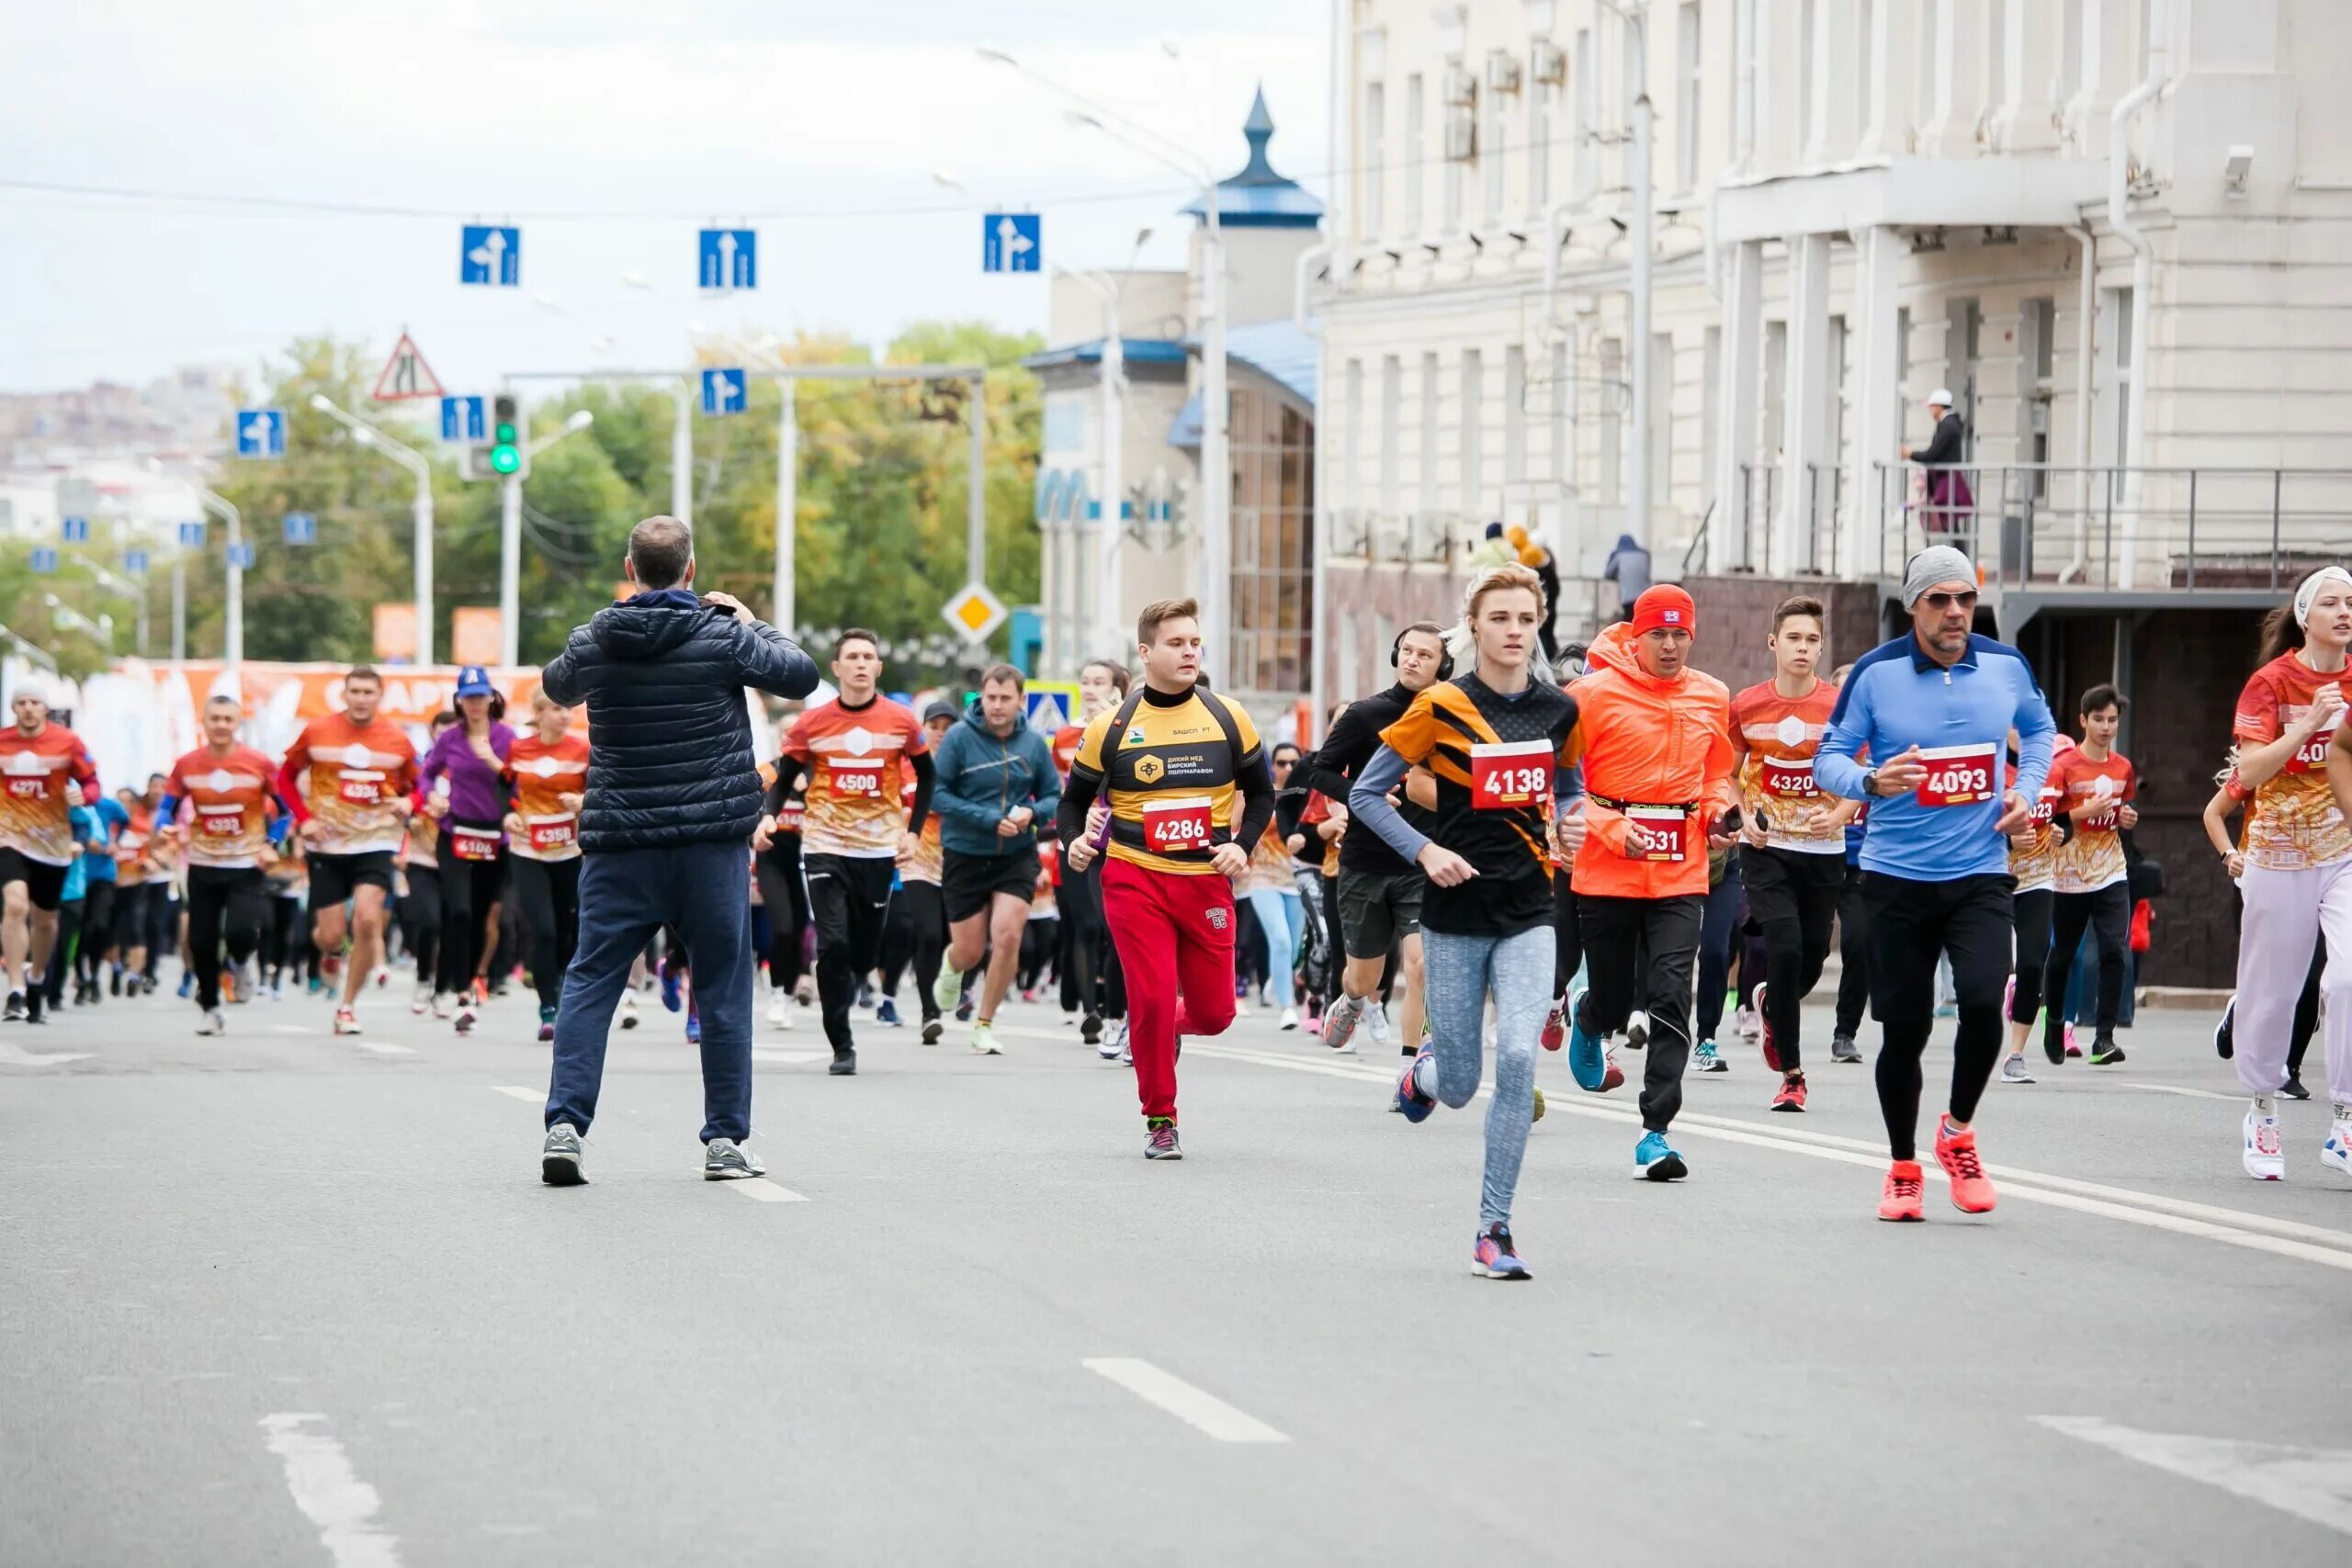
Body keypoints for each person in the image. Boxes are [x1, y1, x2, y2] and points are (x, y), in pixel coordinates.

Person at [537, 515, 819, 1186]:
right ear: (691, 570)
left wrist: (603, 625)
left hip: (620, 846)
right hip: (707, 846)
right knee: (721, 986)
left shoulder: (597, 640)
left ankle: (566, 1126)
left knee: (592, 978)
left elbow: (556, 686)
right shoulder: (724, 636)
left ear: (630, 569)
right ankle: (725, 1141)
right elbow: (802, 676)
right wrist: (752, 622)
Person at [1814, 545, 2056, 1221]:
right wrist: (1870, 780)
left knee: (1984, 1001)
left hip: (1980, 871)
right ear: (1913, 606)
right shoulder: (1876, 672)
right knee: (1906, 1030)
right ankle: (1901, 1166)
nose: (1955, 612)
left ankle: (1956, 1131)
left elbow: (2039, 732)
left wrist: (2027, 793)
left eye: (1965, 599)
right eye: (1939, 600)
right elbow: (1826, 757)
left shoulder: (2005, 666)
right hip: (1896, 879)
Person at [1351, 563, 1578, 1278]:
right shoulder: (1441, 705)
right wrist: (1426, 850)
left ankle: (1494, 1229)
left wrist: (1571, 823)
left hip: (1530, 910)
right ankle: (1423, 1076)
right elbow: (1366, 792)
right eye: (1500, 618)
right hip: (1453, 913)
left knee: (1517, 1058)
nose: (1515, 631)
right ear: (1473, 626)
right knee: (1457, 1084)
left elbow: (1568, 786)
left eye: (1525, 618)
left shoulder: (1558, 709)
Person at [1059, 598, 1274, 1159]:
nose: (1188, 652)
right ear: (1146, 652)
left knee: (1215, 1014)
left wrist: (1241, 846)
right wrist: (1075, 842)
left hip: (1204, 881)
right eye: (1176, 643)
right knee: (1152, 999)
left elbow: (1264, 794)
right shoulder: (1112, 727)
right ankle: (1161, 1117)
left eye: (1194, 642)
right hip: (1135, 879)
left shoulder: (1229, 716)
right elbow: (1072, 803)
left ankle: (1156, 1028)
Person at [1556, 585, 1736, 1179]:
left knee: (1668, 996)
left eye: (1678, 633)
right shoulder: (1589, 695)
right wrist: (1610, 827)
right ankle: (1590, 1016)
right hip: (1607, 869)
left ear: (1692, 634)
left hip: (1680, 870)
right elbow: (1564, 786)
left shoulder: (1712, 696)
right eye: (1656, 633)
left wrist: (1719, 814)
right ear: (1634, 636)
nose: (1668, 644)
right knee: (1611, 998)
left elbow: (1716, 776)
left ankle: (1655, 1133)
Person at [2233, 566, 2352, 1179]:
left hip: (2344, 851)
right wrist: (2306, 725)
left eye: (2351, 601)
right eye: (2330, 601)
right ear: (2306, 615)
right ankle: (2262, 1107)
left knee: (2349, 976)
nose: (2344, 609)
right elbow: (2249, 773)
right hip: (2277, 853)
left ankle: (2346, 1121)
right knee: (2273, 994)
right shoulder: (2270, 682)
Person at [768, 631, 931, 1077]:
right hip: (824, 845)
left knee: (863, 952)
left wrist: (913, 833)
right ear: (837, 668)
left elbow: (927, 776)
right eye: (852, 657)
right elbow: (785, 776)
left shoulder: (901, 721)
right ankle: (841, 1042)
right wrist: (768, 816)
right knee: (833, 943)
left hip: (877, 849)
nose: (861, 664)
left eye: (869, 657)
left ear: (878, 668)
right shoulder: (812, 723)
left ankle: (862, 970)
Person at [1726, 595, 1858, 1111]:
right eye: (1794, 638)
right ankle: (1794, 1076)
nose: (1802, 648)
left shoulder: (1839, 708)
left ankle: (1768, 1002)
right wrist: (1743, 819)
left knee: (1808, 959)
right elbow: (1726, 773)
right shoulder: (1746, 705)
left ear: (1821, 648)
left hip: (1824, 849)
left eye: (1812, 640)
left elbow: (1859, 776)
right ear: (1773, 643)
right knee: (1781, 947)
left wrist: (1841, 813)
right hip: (1766, 846)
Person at [1307, 623, 1449, 1056]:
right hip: (1365, 862)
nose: (1412, 660)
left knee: (1421, 965)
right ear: (1395, 655)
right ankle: (1351, 1001)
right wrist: (1364, 793)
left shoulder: (1451, 716)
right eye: (1407, 650)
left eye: (1425, 655)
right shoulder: (1365, 714)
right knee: (1365, 979)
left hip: (1422, 861)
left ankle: (1410, 1071)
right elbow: (1320, 770)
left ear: (1443, 665)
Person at [277, 666, 419, 1036]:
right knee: (329, 934)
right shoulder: (317, 731)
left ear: (379, 696)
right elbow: (284, 778)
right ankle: (330, 952)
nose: (360, 698)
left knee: (369, 921)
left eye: (368, 692)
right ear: (344, 694)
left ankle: (347, 1006)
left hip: (377, 841)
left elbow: (420, 784)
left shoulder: (397, 739)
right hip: (329, 843)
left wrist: (411, 802)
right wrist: (304, 818)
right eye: (354, 691)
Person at [929, 665, 1060, 1055]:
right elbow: (937, 795)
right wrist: (989, 819)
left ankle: (984, 1022)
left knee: (1007, 934)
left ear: (1021, 700)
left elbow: (1054, 795)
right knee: (970, 951)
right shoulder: (959, 739)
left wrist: (1031, 815)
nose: (998, 706)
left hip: (1016, 856)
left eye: (1006, 699)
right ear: (980, 699)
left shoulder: (1034, 744)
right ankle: (953, 966)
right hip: (966, 854)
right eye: (991, 698)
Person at [161, 694, 282, 1035]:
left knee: (241, 932)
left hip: (246, 864)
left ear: (237, 723)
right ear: (204, 721)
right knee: (201, 940)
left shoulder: (259, 763)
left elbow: (284, 811)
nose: (221, 725)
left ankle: (240, 964)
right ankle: (211, 1008)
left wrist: (272, 844)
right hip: (202, 863)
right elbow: (166, 807)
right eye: (215, 718)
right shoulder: (187, 764)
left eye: (228, 719)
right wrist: (163, 827)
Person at [417, 666, 515, 1034]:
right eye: (468, 696)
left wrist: (493, 759)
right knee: (457, 909)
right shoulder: (450, 739)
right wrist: (431, 795)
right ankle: (456, 987)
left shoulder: (507, 737)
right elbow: (427, 773)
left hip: (495, 836)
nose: (475, 703)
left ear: (492, 698)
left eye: (481, 696)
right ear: (459, 700)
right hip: (455, 831)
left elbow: (517, 780)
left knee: (480, 916)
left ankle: (472, 983)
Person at [2044, 685, 2137, 1067]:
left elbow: (2120, 810)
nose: (2105, 726)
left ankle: (2104, 1037)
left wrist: (2125, 817)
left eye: (2112, 720)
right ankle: (2053, 1022)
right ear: (2083, 720)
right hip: (2069, 871)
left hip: (2111, 868)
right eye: (2098, 719)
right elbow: (2048, 819)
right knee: (2064, 952)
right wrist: (2084, 811)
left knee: (2115, 950)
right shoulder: (2064, 766)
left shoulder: (2123, 767)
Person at [1, 682, 102, 1023]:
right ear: (14, 708)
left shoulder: (67, 742)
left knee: (46, 921)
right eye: (22, 702)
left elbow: (93, 785)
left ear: (45, 708)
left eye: (35, 702)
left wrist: (83, 797)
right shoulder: (2, 742)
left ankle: (38, 977)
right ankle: (15, 989)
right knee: (15, 905)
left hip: (52, 843)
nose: (28, 708)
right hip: (9, 837)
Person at [503, 688, 590, 1043]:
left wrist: (583, 800)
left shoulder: (583, 750)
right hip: (528, 849)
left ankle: (567, 997)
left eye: (567, 709)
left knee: (569, 928)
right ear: (537, 714)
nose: (563, 715)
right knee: (543, 929)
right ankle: (547, 1007)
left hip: (569, 850)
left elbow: (601, 788)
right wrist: (508, 813)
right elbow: (505, 789)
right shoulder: (518, 749)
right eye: (555, 708)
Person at [1055, 660, 1128, 1055]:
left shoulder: (1131, 727)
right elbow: (1063, 794)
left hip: (1129, 843)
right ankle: (1092, 1011)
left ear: (1118, 688)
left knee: (1119, 933)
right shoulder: (1065, 736)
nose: (1090, 688)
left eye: (1099, 682)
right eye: (1085, 681)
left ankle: (1122, 1015)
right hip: (1082, 846)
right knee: (1087, 927)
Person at [876, 702, 954, 1043]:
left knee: (952, 940)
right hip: (915, 860)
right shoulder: (906, 768)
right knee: (924, 933)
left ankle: (951, 989)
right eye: (934, 725)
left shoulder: (964, 767)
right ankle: (929, 1013)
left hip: (956, 863)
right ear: (923, 730)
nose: (940, 732)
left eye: (947, 726)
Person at [1997, 730, 2071, 1085]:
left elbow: (2065, 817)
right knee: (1990, 970)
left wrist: (2061, 833)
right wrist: (2008, 840)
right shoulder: (1990, 770)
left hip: (2038, 879)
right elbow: (1965, 827)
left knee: (2030, 964)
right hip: (1991, 879)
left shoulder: (2054, 771)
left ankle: (2015, 1054)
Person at [1903, 389, 1971, 537]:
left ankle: (1961, 557)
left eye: (1932, 407)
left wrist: (1910, 454)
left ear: (1939, 407)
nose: (1931, 411)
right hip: (1945, 481)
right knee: (1948, 525)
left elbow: (1932, 454)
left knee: (1949, 525)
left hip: (1946, 481)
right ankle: (1959, 556)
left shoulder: (1948, 426)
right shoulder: (1949, 424)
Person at [1511, 525, 1563, 662]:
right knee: (1546, 630)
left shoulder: (1531, 554)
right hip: (1549, 595)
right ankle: (1552, 658)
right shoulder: (1545, 555)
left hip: (1545, 597)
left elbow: (1522, 572)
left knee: (1544, 630)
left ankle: (1548, 659)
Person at [1602, 534, 1651, 622]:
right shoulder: (1644, 555)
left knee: (1629, 621)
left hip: (1628, 595)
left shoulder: (1620, 555)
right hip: (1644, 594)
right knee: (1641, 620)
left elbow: (1608, 573)